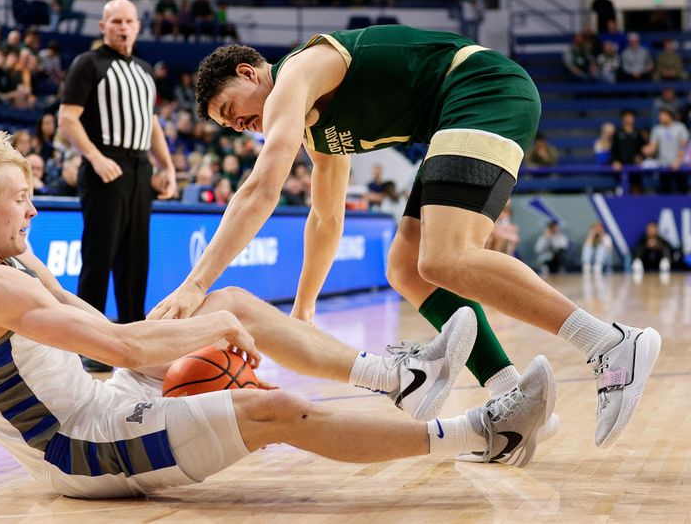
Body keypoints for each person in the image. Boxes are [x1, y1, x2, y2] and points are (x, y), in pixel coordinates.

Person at [0, 126, 555, 496]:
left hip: (101, 404)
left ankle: (398, 377)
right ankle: (487, 433)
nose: (33, 211)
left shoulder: (4, 263)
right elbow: (116, 350)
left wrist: (203, 317)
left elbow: (108, 331)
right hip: (81, 446)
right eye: (23, 200)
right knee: (271, 406)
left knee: (222, 298)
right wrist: (211, 332)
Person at [154, 26, 662, 450]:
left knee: (446, 257)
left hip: (483, 89)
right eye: (228, 125)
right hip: (456, 112)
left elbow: (261, 188)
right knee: (405, 263)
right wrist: (303, 310)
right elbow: (325, 218)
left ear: (249, 73)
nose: (240, 126)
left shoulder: (296, 72)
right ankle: (514, 399)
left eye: (230, 108)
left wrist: (196, 284)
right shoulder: (317, 129)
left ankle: (611, 342)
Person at [59, 0, 177, 372]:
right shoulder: (87, 63)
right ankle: (90, 344)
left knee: (135, 258)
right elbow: (67, 118)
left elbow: (151, 122)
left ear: (138, 26)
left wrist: (168, 166)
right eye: (116, 22)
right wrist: (95, 157)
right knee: (99, 257)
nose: (123, 27)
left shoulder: (144, 69)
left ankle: (133, 341)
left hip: (140, 168)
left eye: (129, 21)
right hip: (105, 166)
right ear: (103, 26)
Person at [643, 108, 689, 194]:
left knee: (682, 190)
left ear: (669, 115)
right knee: (665, 190)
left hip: (680, 165)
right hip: (664, 165)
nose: (660, 117)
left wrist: (678, 161)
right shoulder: (657, 129)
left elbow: (684, 145)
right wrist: (647, 150)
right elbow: (653, 146)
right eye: (659, 115)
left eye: (663, 115)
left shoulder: (680, 127)